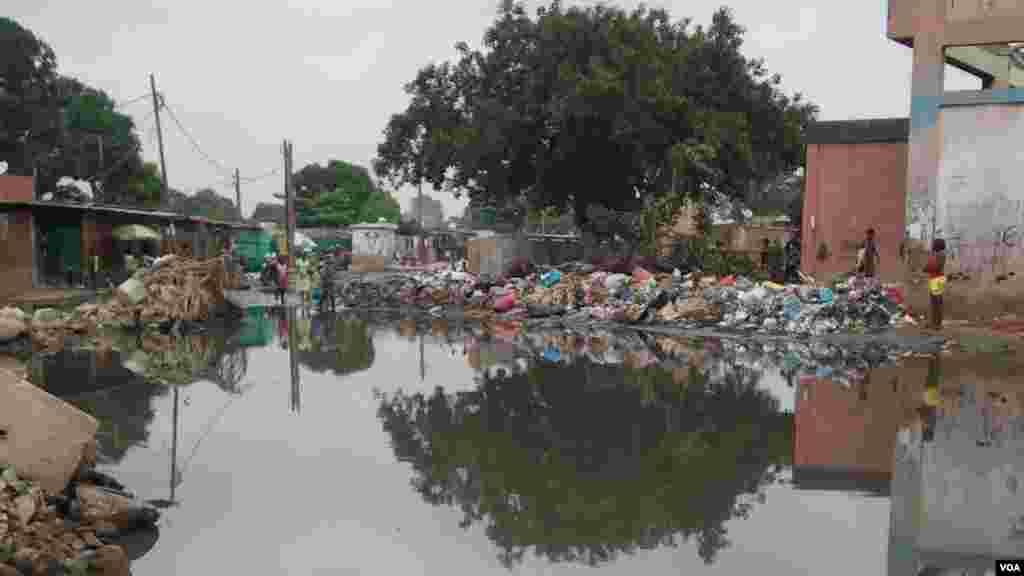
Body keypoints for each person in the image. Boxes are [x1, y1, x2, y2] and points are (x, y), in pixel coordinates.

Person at [924, 238, 947, 330]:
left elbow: (936, 266)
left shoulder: (940, 255)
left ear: (937, 245)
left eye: (934, 244)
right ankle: (934, 322)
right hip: (936, 278)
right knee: (935, 302)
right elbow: (932, 265)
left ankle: (937, 324)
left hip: (937, 279)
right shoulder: (938, 254)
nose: (932, 245)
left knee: (936, 303)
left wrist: (927, 268)